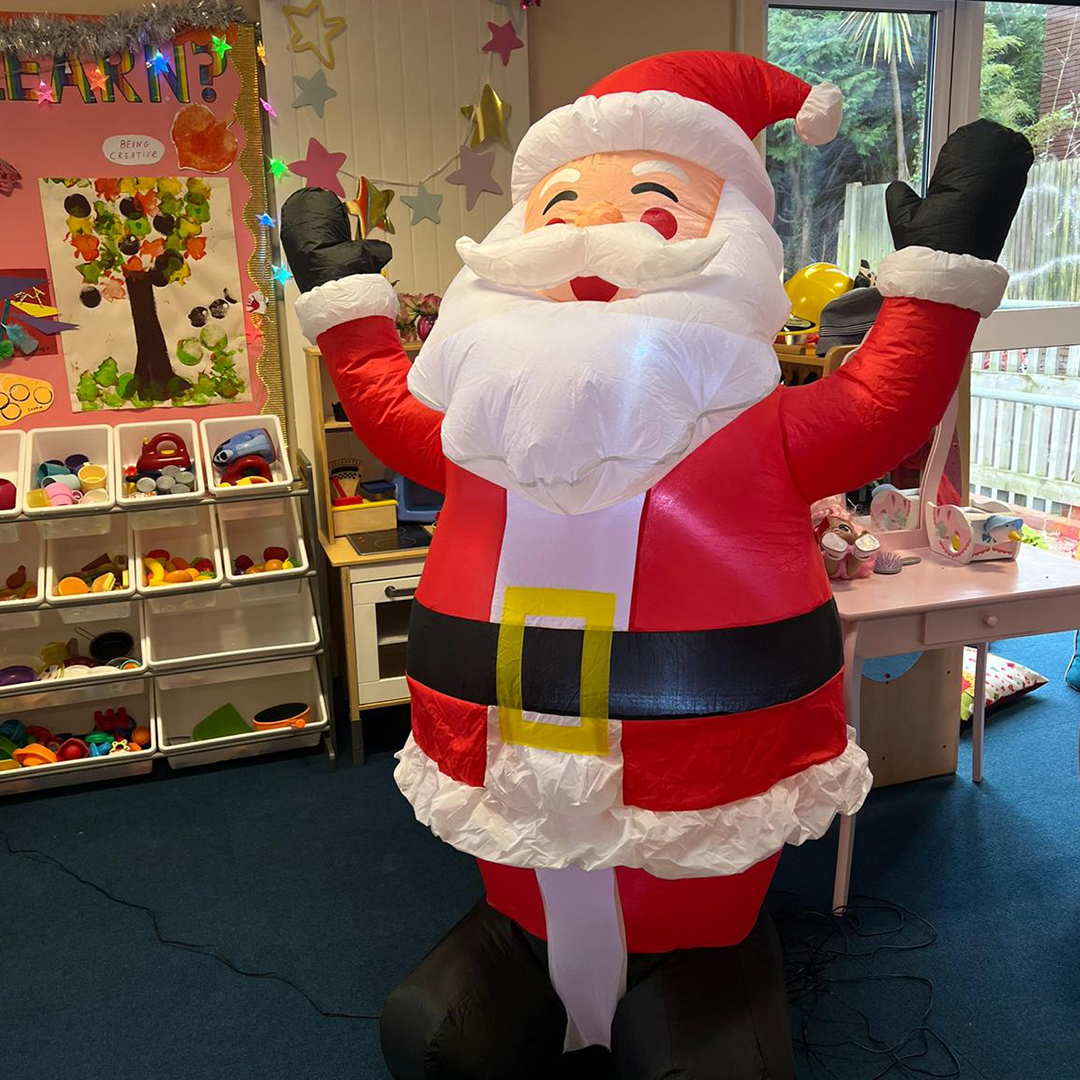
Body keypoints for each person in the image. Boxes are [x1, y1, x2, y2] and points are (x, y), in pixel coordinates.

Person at [282, 51, 1031, 1080]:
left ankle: (700, 960)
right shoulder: (477, 427)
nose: (590, 235)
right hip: (500, 760)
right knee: (440, 1031)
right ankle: (522, 942)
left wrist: (939, 277)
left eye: (652, 203)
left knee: (700, 1024)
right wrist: (346, 309)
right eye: (559, 209)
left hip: (702, 774)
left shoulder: (760, 427)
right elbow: (386, 414)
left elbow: (883, 405)